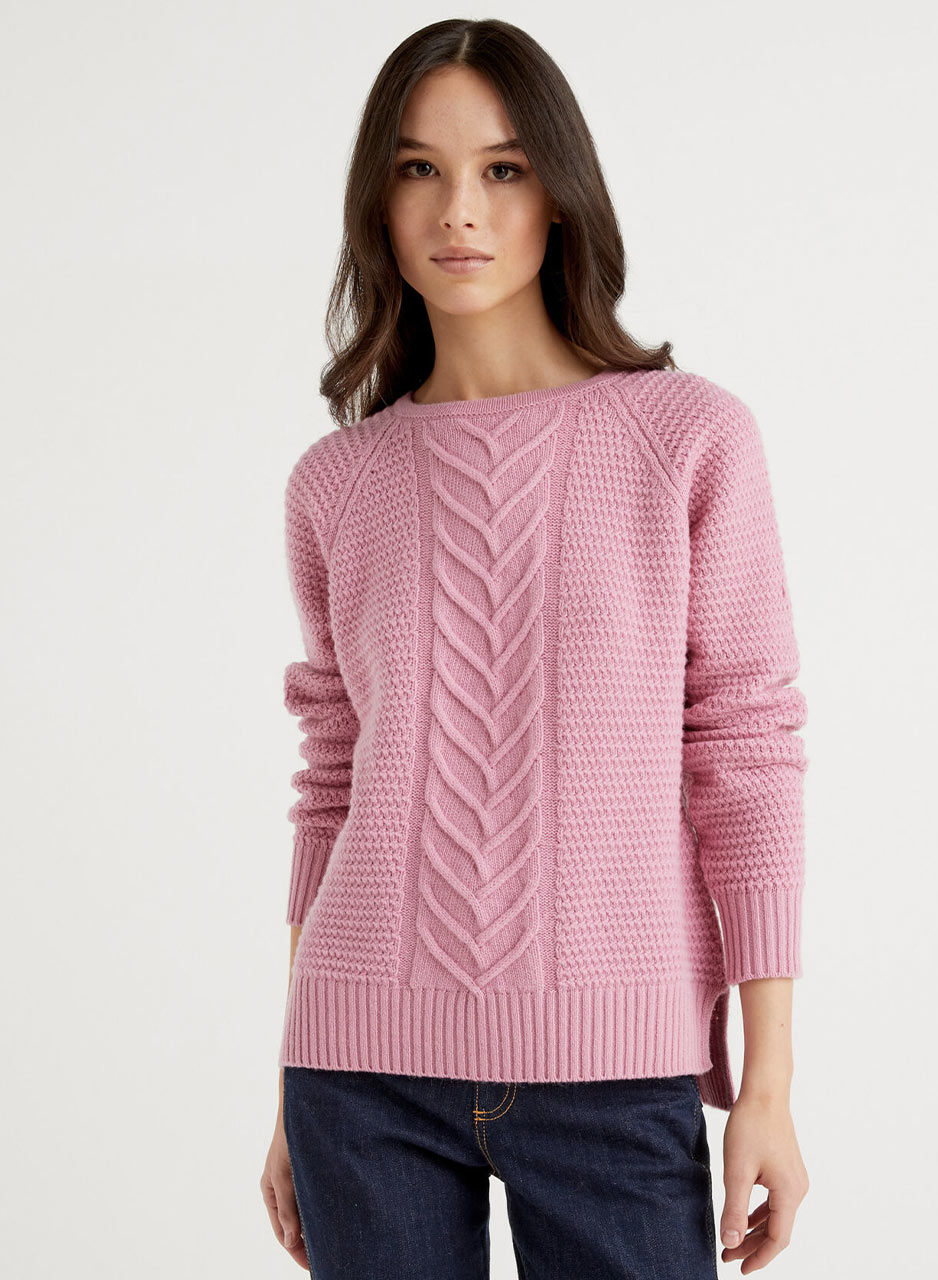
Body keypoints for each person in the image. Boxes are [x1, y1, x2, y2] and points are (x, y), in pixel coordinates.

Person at [260, 18, 810, 1280]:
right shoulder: (336, 482)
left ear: (560, 193)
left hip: (618, 1066)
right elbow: (333, 783)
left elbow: (746, 752)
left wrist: (768, 1083)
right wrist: (288, 1080)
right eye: (419, 168)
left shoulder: (688, 438)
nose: (459, 209)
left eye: (502, 168)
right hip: (358, 1074)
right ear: (377, 201)